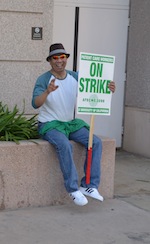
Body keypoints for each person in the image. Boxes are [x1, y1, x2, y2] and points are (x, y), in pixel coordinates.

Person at [32, 43, 115, 206]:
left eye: (62, 57)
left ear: (66, 59)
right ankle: (72, 189)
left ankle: (89, 186)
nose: (59, 61)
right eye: (55, 58)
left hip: (70, 124)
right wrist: (47, 92)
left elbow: (94, 87)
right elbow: (35, 103)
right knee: (65, 145)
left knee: (95, 142)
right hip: (50, 125)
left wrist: (108, 87)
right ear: (50, 61)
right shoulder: (43, 79)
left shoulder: (75, 76)